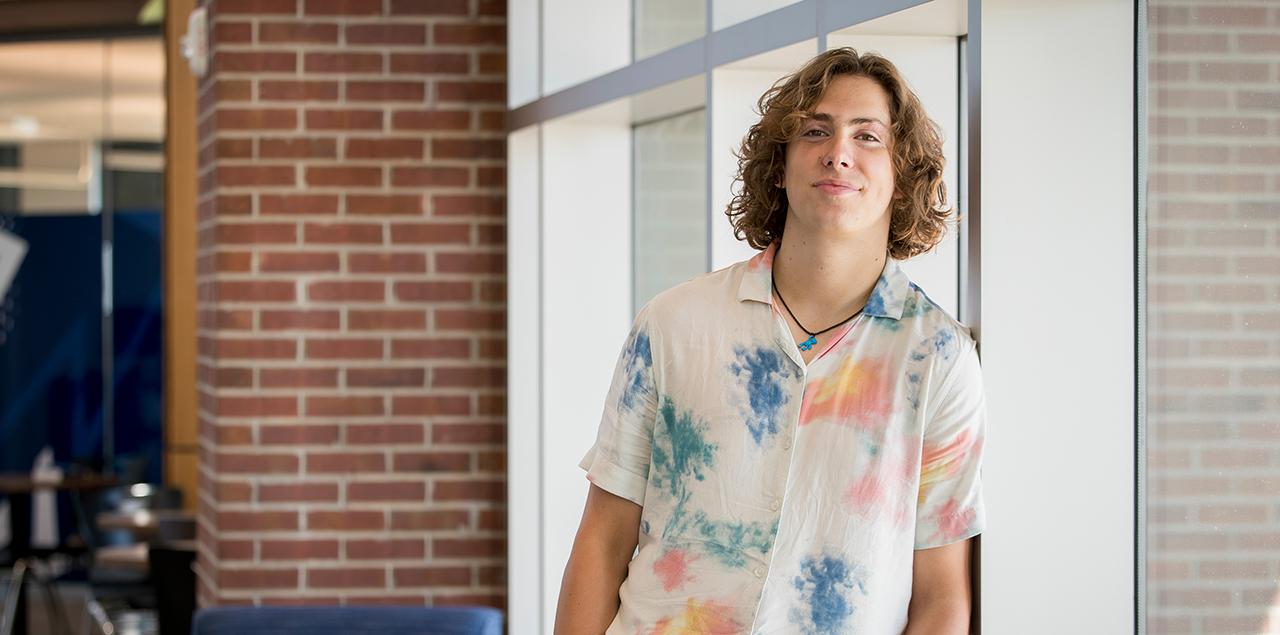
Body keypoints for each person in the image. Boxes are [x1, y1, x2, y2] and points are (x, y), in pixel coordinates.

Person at [555, 47, 986, 635]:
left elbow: (941, 597)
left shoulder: (938, 357)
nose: (838, 154)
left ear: (901, 176)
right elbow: (602, 541)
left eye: (868, 137)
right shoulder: (674, 323)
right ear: (779, 165)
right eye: (816, 131)